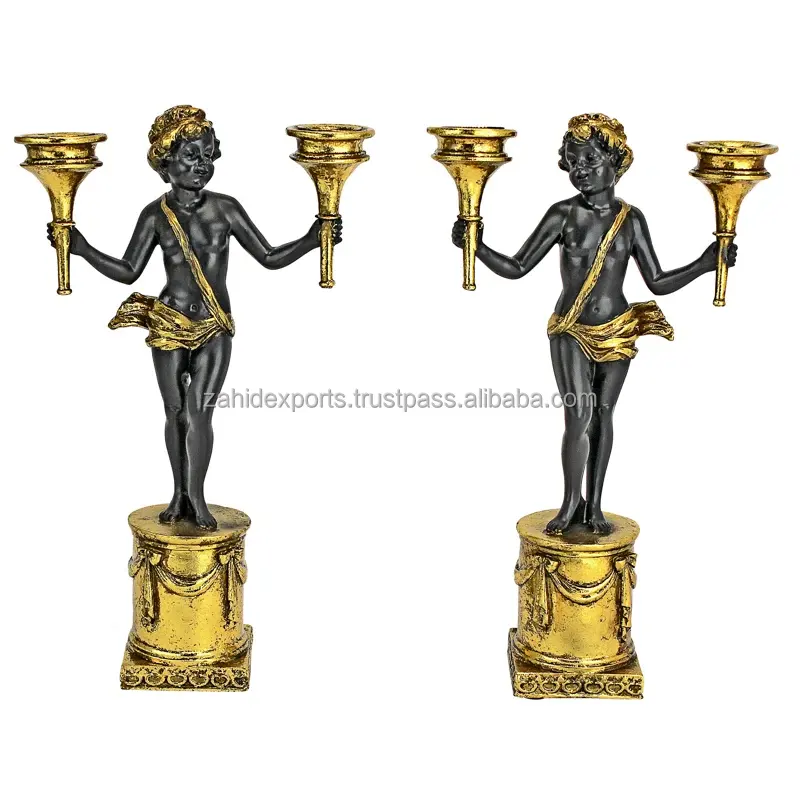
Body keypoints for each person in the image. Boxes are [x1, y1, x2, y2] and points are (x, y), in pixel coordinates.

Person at [49, 105, 340, 530]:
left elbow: (269, 257)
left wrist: (313, 239)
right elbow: (128, 270)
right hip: (168, 323)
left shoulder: (226, 209)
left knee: (199, 410)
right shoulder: (155, 215)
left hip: (214, 325)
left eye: (206, 155)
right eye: (190, 156)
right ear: (165, 161)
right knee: (175, 412)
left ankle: (198, 497)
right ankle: (179, 493)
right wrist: (82, 248)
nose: (201, 165)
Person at [452, 113, 735, 534]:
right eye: (573, 162)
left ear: (615, 161)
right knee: (578, 414)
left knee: (603, 414)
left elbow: (657, 281)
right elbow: (517, 267)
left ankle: (594, 505)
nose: (580, 170)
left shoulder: (631, 220)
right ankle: (571, 502)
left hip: (618, 329)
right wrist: (476, 247)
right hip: (570, 329)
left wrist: (705, 263)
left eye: (589, 160)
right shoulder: (562, 215)